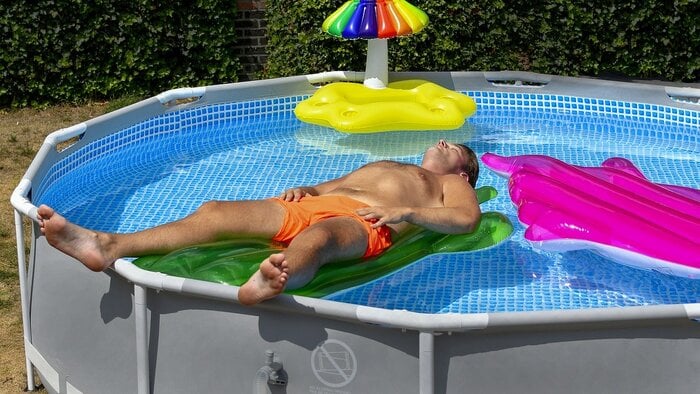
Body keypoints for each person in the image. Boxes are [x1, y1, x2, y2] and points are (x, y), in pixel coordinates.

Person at [38, 140, 481, 305]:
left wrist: (404, 213)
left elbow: (465, 219)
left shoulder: (448, 185)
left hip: (366, 222)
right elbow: (329, 185)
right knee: (215, 211)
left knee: (320, 237)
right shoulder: (389, 163)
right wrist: (305, 190)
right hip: (322, 202)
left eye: (456, 147)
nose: (444, 143)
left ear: (463, 170)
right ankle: (107, 244)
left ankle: (277, 277)